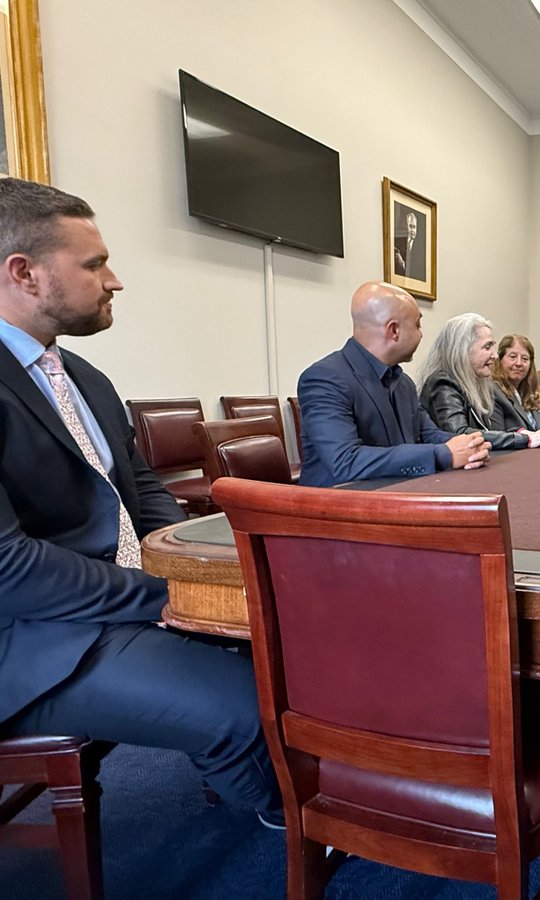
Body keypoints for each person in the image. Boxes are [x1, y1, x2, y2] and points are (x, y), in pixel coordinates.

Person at [0, 177, 280, 825]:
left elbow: (141, 490)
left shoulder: (84, 377)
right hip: (36, 641)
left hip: (115, 604)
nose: (115, 280)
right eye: (94, 264)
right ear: (25, 273)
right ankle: (294, 816)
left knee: (288, 643)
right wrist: (159, 597)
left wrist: (196, 574)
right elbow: (9, 570)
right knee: (247, 704)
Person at [298, 282, 489, 487]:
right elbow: (345, 461)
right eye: (417, 325)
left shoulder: (403, 382)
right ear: (394, 330)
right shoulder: (324, 378)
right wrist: (443, 454)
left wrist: (470, 446)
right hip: (335, 507)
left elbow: (428, 435)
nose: (421, 334)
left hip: (398, 494)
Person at [419, 314, 540, 449]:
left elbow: (488, 429)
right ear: (462, 350)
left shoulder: (474, 383)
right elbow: (459, 434)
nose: (495, 355)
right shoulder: (443, 383)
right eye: (487, 347)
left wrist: (520, 432)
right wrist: (524, 439)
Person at [490, 333, 540, 433]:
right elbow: (499, 435)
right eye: (512, 357)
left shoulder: (531, 392)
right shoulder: (494, 391)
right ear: (500, 360)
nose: (519, 363)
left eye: (525, 359)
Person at [394, 209, 425, 281]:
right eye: (410, 226)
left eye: (414, 227)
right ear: (406, 227)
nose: (412, 230)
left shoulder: (422, 248)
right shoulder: (397, 243)